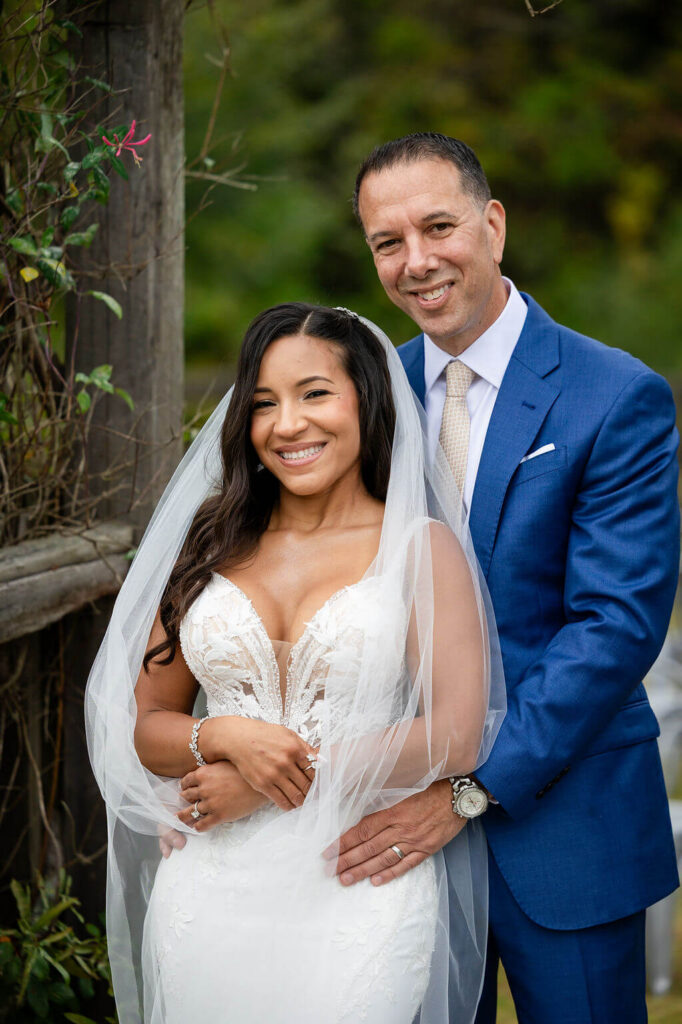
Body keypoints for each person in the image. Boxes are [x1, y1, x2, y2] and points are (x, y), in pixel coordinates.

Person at [328, 132, 681, 1023]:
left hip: (567, 826)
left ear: (493, 225)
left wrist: (469, 791)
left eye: (438, 227)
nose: (416, 262)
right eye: (386, 243)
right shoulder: (369, 398)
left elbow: (614, 628)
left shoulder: (615, 395)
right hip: (395, 835)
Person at [85, 303, 506, 1023]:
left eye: (314, 394)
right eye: (264, 404)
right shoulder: (209, 544)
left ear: (365, 401)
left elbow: (454, 735)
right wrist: (219, 737)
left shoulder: (419, 547)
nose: (288, 424)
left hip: (356, 884)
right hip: (210, 891)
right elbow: (142, 723)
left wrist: (275, 780)